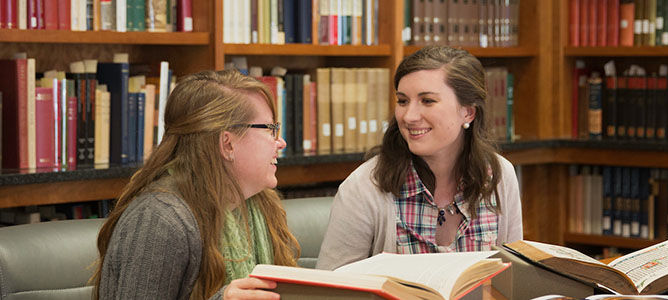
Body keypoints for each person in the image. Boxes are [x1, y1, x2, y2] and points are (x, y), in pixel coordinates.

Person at [92, 70, 299, 299]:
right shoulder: (159, 220)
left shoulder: (260, 207)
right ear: (227, 144)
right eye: (270, 129)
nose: (280, 142)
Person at [316, 46, 523, 270]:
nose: (409, 116)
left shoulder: (500, 176)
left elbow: (512, 279)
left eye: (427, 101)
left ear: (468, 112)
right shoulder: (364, 187)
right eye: (403, 101)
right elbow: (331, 289)